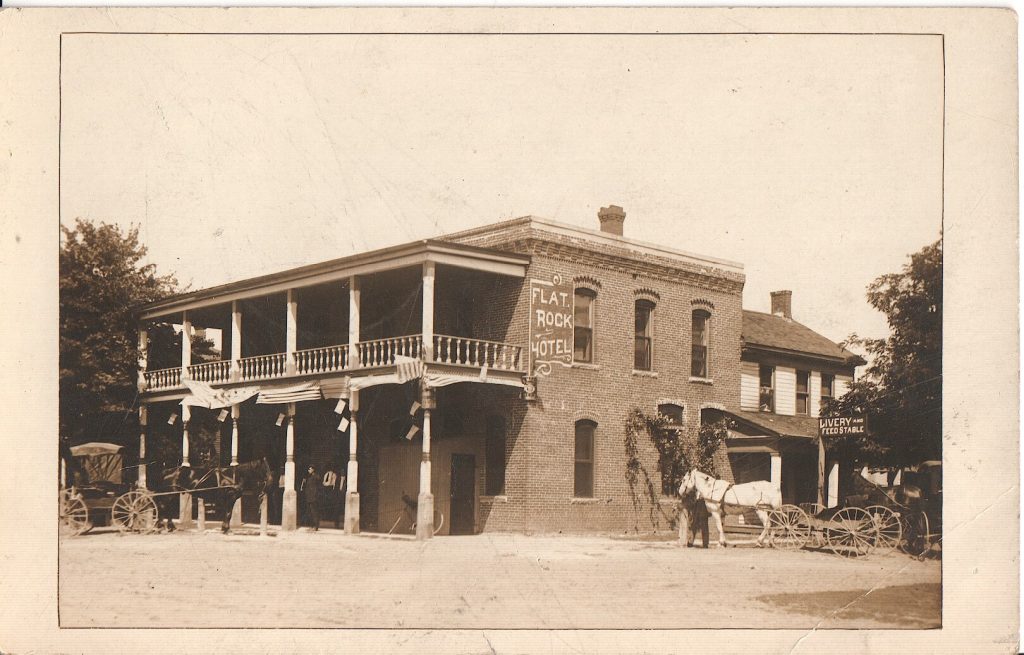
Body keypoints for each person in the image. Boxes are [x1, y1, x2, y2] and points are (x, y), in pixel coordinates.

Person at [302, 466, 321, 531]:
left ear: (313, 469)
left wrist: (315, 496)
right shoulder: (309, 477)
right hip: (309, 497)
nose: (308, 470)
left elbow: (317, 486)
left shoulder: (316, 476)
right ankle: (312, 525)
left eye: (309, 469)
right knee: (310, 512)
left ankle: (316, 526)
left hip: (313, 497)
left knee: (314, 512)